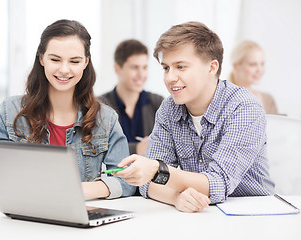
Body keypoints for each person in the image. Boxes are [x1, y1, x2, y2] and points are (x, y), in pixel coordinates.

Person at [113, 21, 275, 212]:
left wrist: (158, 170)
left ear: (211, 68)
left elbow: (218, 183)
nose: (170, 78)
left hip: (255, 213)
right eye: (166, 68)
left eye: (180, 67)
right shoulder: (169, 108)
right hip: (201, 213)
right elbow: (149, 184)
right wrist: (176, 197)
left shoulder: (243, 107)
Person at [0, 19, 136, 199]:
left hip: (81, 218)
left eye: (74, 61)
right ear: (41, 58)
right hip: (26, 217)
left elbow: (125, 181)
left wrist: (71, 190)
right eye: (55, 59)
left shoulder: (106, 119)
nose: (64, 69)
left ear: (86, 62)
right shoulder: (10, 111)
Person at [99, 39, 164, 156]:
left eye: (144, 67)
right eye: (135, 67)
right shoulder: (100, 105)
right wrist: (137, 148)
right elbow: (98, 148)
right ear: (117, 69)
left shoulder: (157, 103)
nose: (141, 74)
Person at [229, 40, 278, 114]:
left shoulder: (268, 100)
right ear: (235, 66)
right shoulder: (221, 97)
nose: (260, 70)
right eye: (253, 64)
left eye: (262, 64)